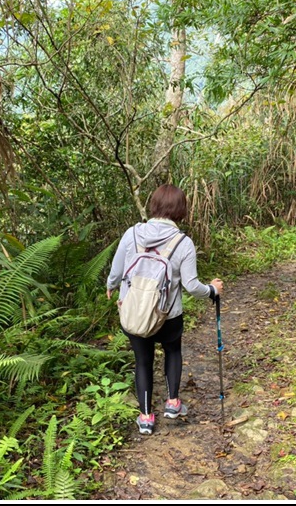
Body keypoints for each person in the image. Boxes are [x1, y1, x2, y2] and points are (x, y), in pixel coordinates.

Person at [106, 185, 224, 435]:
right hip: (168, 315)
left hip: (134, 312)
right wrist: (212, 290)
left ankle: (146, 417)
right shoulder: (184, 242)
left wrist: (111, 285)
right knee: (172, 352)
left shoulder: (133, 233)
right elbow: (191, 286)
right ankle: (172, 404)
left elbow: (117, 269)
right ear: (181, 210)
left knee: (143, 361)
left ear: (154, 205)